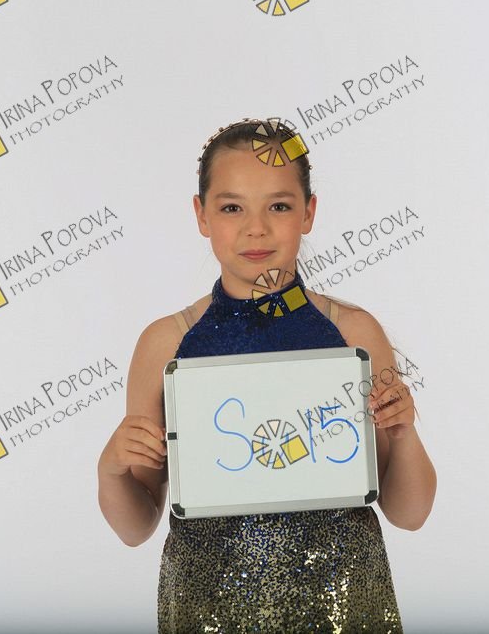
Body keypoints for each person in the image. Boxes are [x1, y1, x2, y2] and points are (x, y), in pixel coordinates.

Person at [97, 118, 437, 632]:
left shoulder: (353, 334)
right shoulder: (166, 345)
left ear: (308, 212)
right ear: (201, 215)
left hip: (344, 608)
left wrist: (403, 432)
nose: (255, 228)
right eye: (231, 207)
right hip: (207, 610)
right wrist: (112, 468)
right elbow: (135, 527)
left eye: (278, 206)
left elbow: (410, 514)